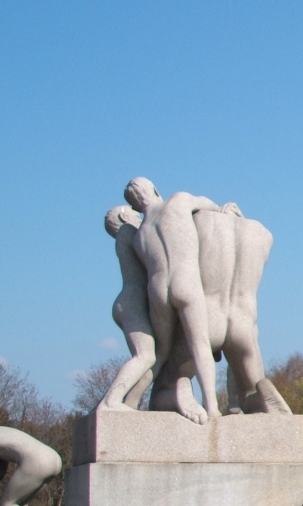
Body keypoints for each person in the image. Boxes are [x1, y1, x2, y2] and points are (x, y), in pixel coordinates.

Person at [123, 177, 291, 423]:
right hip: (243, 322)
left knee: (164, 381)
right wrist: (225, 211)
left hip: (206, 313)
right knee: (249, 387)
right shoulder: (257, 232)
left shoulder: (191, 223)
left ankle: (177, 390)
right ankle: (258, 395)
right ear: (156, 190)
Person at [99, 206, 156, 411]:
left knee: (149, 364)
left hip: (131, 301)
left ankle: (128, 403)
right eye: (134, 213)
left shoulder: (125, 236)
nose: (138, 215)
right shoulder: (127, 231)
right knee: (145, 356)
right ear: (124, 216)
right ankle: (111, 401)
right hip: (133, 301)